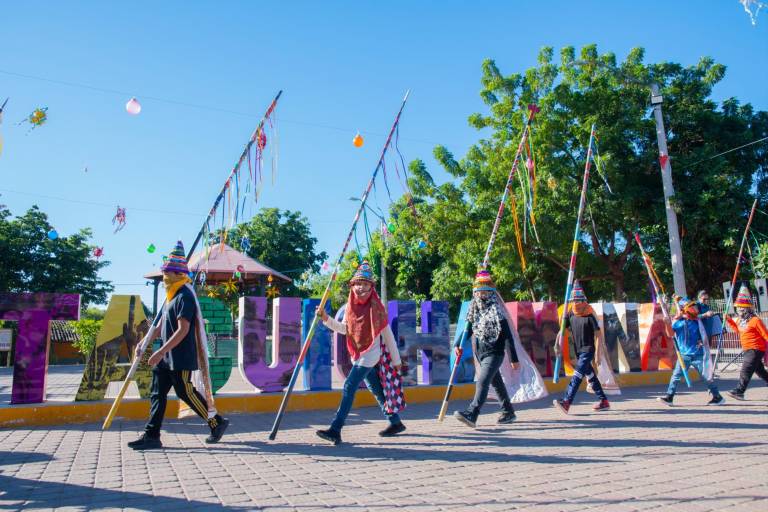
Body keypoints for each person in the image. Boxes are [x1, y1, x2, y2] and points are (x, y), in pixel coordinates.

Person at [128, 240, 228, 450]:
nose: (164, 277)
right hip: (164, 356)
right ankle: (152, 435)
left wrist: (161, 351)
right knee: (157, 394)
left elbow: (182, 330)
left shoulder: (185, 296)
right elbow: (159, 325)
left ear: (177, 274)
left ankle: (216, 422)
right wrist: (144, 342)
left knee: (186, 392)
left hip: (180, 355)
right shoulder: (170, 297)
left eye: (167, 273)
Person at [315, 261, 406, 445]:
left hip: (370, 356)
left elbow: (388, 336)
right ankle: (395, 422)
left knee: (349, 386)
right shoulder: (350, 308)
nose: (360, 288)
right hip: (358, 355)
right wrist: (326, 319)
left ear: (371, 287)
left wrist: (397, 361)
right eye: (357, 284)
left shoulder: (377, 309)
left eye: (365, 284)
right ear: (352, 286)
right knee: (376, 389)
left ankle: (336, 429)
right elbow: (345, 329)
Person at [453, 270, 520, 428]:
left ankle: (472, 413)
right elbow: (468, 329)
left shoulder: (497, 311)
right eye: (479, 291)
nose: (482, 294)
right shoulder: (475, 310)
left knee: (482, 381)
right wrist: (457, 344)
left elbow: (509, 336)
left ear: (491, 293)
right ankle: (508, 411)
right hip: (481, 353)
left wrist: (514, 358)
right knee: (496, 383)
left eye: (485, 291)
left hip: (495, 353)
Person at [553, 280, 610, 415]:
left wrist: (598, 353)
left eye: (579, 301)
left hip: (588, 349)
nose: (577, 303)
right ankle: (604, 401)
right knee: (590, 376)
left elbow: (598, 334)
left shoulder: (590, 314)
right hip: (579, 350)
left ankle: (567, 402)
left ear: (584, 300)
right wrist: (557, 343)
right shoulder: (570, 313)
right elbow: (562, 331)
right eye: (575, 301)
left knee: (577, 375)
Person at [657, 297, 724, 407]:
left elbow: (701, 316)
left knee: (706, 376)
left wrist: (707, 314)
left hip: (699, 354)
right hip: (684, 355)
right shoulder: (679, 322)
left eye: (694, 307)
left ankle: (717, 396)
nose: (695, 309)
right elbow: (670, 334)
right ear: (685, 310)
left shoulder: (697, 320)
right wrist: (667, 324)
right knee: (676, 376)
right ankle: (669, 397)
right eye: (691, 307)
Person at [725, 285, 768, 400]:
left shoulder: (755, 320)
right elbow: (738, 330)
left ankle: (739, 391)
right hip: (747, 348)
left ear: (747, 309)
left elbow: (765, 335)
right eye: (738, 308)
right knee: (760, 371)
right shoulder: (740, 320)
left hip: (756, 348)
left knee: (746, 369)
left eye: (741, 308)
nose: (739, 310)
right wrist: (729, 320)